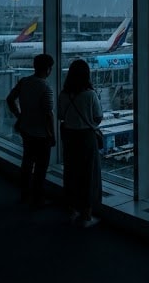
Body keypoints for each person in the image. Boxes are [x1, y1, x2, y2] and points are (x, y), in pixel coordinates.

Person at [6, 54, 56, 208]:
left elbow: (10, 99)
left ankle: (24, 194)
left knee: (27, 163)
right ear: (48, 69)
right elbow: (48, 113)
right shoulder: (46, 87)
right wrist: (52, 134)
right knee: (41, 168)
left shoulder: (24, 81)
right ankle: (38, 198)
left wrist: (19, 115)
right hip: (41, 134)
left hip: (26, 130)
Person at [58, 59, 103, 228]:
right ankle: (86, 214)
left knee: (71, 172)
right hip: (86, 137)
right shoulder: (90, 94)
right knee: (88, 175)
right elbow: (98, 118)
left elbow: (60, 116)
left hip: (69, 137)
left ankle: (71, 209)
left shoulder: (64, 94)